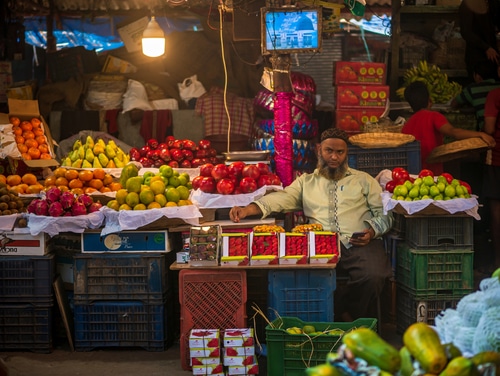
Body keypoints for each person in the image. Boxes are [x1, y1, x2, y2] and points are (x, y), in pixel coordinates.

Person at [229, 127, 393, 321]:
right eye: (329, 151)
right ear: (319, 150)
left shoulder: (363, 180)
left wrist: (372, 231)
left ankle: (349, 314)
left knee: (374, 276)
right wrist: (248, 209)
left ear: (346, 153)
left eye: (340, 152)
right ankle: (334, 315)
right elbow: (281, 199)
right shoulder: (306, 182)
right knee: (304, 279)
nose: (334, 157)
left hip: (358, 241)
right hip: (319, 245)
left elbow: (385, 215)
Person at [402, 81, 496, 175]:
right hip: (433, 173)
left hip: (413, 174)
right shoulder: (434, 116)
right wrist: (480, 134)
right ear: (429, 100)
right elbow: (453, 132)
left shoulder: (407, 125)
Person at [451, 61, 500, 131]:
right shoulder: (497, 87)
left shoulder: (472, 89)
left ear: (478, 76)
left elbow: (454, 104)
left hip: (487, 131)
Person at [459, 0, 500, 81]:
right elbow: (466, 32)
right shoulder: (468, 4)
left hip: (493, 58)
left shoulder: (492, 3)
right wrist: (486, 47)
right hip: (477, 59)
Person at [483, 87, 500, 270]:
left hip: (496, 158)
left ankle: (498, 262)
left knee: (497, 212)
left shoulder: (495, 94)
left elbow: (489, 128)